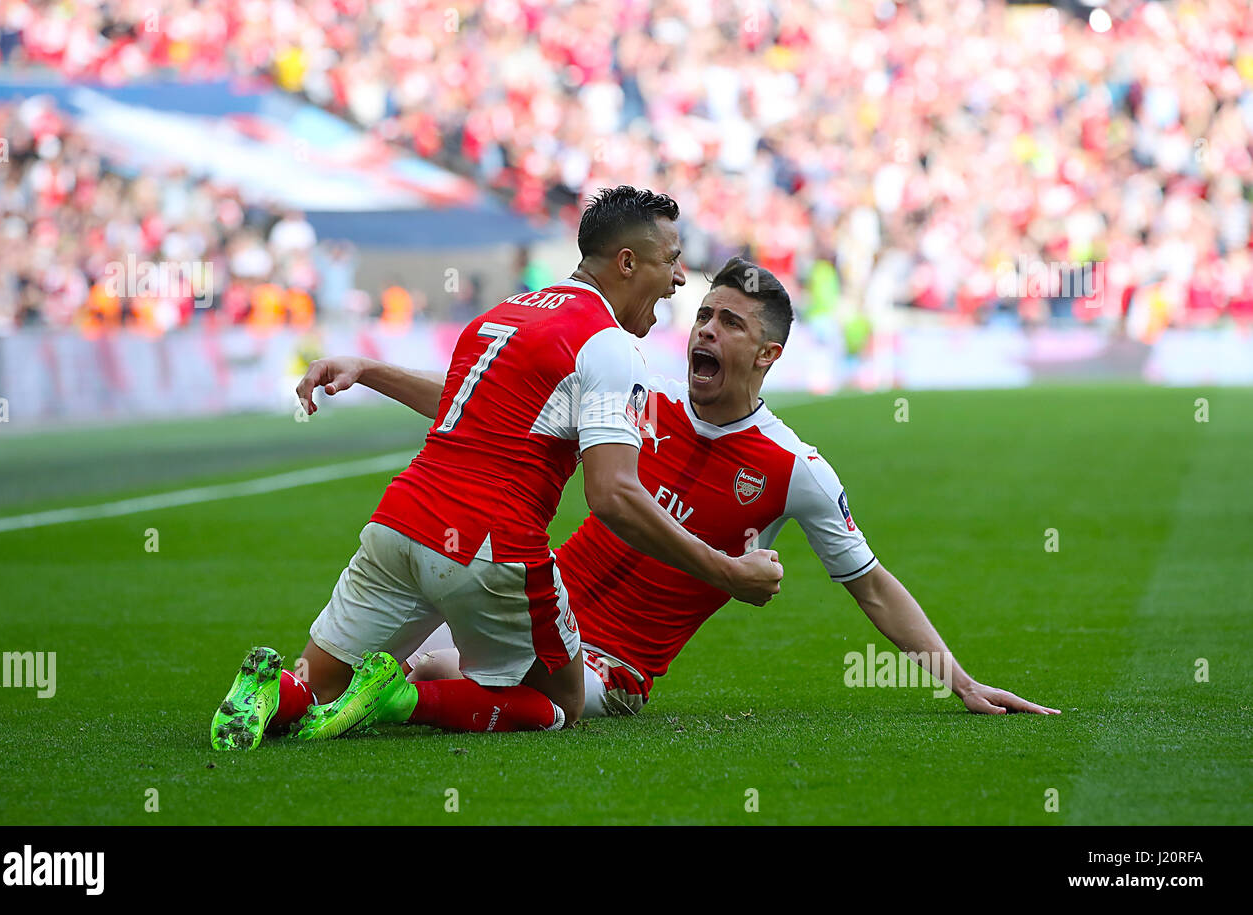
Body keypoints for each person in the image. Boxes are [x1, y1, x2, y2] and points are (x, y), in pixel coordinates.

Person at [305, 257, 1059, 721]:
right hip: (541, 606)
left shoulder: (795, 469)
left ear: (766, 353)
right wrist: (370, 372)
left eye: (728, 323)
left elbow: (872, 585)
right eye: (702, 314)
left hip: (612, 671)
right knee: (363, 661)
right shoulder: (643, 395)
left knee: (439, 667)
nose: (703, 330)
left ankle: (398, 698)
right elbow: (485, 399)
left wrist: (957, 680)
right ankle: (315, 699)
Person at [210, 188, 784, 749]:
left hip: (399, 523)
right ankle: (401, 701)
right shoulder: (607, 345)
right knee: (564, 704)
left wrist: (367, 369)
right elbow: (613, 496)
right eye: (671, 261)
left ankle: (263, 691)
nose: (680, 278)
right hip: (490, 546)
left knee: (314, 686)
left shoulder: (505, 313)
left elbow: (468, 401)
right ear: (628, 262)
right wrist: (727, 572)